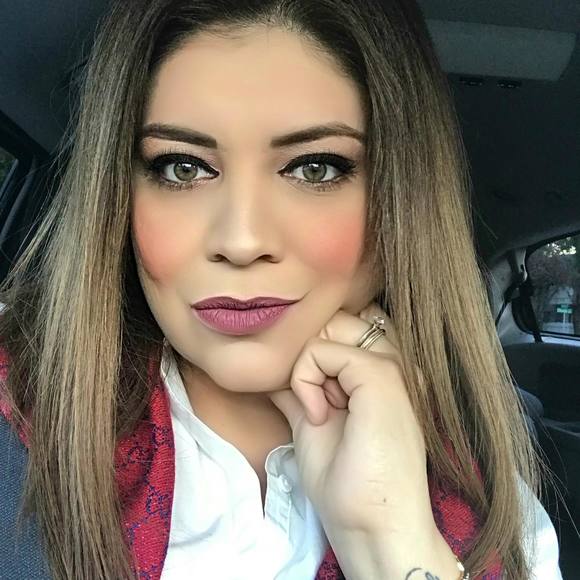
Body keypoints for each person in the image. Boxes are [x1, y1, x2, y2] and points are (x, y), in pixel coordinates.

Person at [0, 0, 563, 578]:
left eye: (315, 168)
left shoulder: (503, 510)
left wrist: (389, 540)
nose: (242, 241)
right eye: (182, 168)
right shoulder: (15, 429)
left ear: (401, 202)